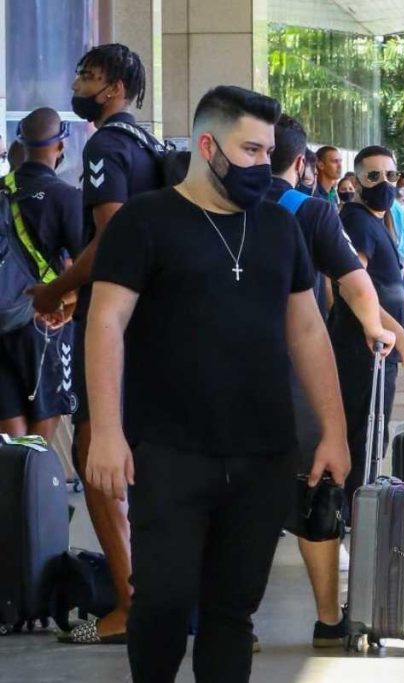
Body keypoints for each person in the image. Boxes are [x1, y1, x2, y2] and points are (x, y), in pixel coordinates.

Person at [86, 85, 350, 682]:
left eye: (268, 150)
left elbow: (307, 332)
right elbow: (105, 323)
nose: (264, 163)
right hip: (170, 448)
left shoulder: (281, 230)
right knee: (164, 600)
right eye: (251, 150)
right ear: (208, 146)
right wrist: (105, 430)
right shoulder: (145, 222)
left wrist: (332, 431)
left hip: (263, 452)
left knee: (233, 611)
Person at [268, 114, 404, 648]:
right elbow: (353, 285)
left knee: (236, 497)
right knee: (317, 487)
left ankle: (229, 620)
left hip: (226, 374)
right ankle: (329, 617)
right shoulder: (309, 211)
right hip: (296, 374)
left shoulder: (210, 207)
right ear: (302, 162)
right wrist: (383, 329)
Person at [29, 43, 159, 646]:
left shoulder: (108, 145)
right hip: (157, 320)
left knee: (95, 454)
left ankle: (132, 604)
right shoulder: (151, 144)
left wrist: (57, 289)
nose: (78, 81)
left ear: (115, 87)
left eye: (88, 74)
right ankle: (173, 599)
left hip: (118, 330)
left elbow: (115, 240)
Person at [330, 145, 404, 520]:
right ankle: (355, 513)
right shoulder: (357, 221)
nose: (383, 183)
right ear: (356, 180)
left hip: (378, 348)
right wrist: (398, 332)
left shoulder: (376, 221)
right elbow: (357, 286)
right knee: (364, 433)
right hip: (363, 349)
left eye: (390, 174)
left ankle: (359, 509)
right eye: (373, 176)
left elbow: (388, 286)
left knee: (373, 431)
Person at [0, 108, 84, 442]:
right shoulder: (66, 198)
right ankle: (31, 489)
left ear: (20, 141)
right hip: (44, 319)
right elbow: (85, 263)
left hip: (2, 317)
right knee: (45, 409)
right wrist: (71, 302)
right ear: (60, 146)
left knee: (8, 416)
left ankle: (10, 490)